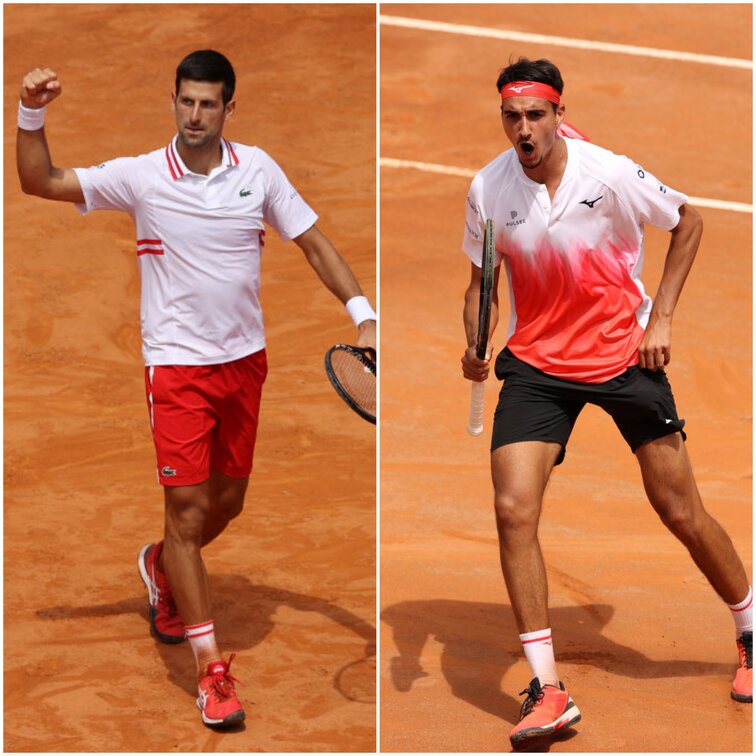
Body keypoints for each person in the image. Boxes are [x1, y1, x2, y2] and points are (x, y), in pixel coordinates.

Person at [17, 50, 376, 729]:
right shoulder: (143, 178)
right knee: (186, 512)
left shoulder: (259, 170)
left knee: (226, 504)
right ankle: (212, 674)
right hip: (177, 366)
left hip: (244, 363)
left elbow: (314, 242)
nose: (194, 114)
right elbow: (40, 180)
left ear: (228, 108)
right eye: (185, 101)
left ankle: (159, 566)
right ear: (174, 101)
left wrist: (365, 314)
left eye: (208, 103)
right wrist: (31, 111)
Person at [460, 57, 752, 750]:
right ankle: (547, 688)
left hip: (624, 355)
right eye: (512, 116)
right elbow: (480, 282)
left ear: (559, 114)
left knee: (680, 508)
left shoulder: (609, 173)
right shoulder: (487, 189)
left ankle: (748, 627)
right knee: (511, 508)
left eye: (535, 115)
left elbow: (689, 222)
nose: (523, 129)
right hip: (537, 365)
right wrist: (474, 335)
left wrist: (664, 318)